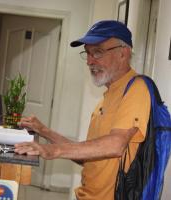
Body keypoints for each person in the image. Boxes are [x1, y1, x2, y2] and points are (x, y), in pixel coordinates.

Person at [14, 20, 151, 200]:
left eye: (97, 52)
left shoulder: (138, 89)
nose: (89, 61)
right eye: (87, 53)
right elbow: (87, 156)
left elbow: (115, 145)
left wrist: (53, 151)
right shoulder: (107, 96)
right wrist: (44, 131)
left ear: (123, 53)